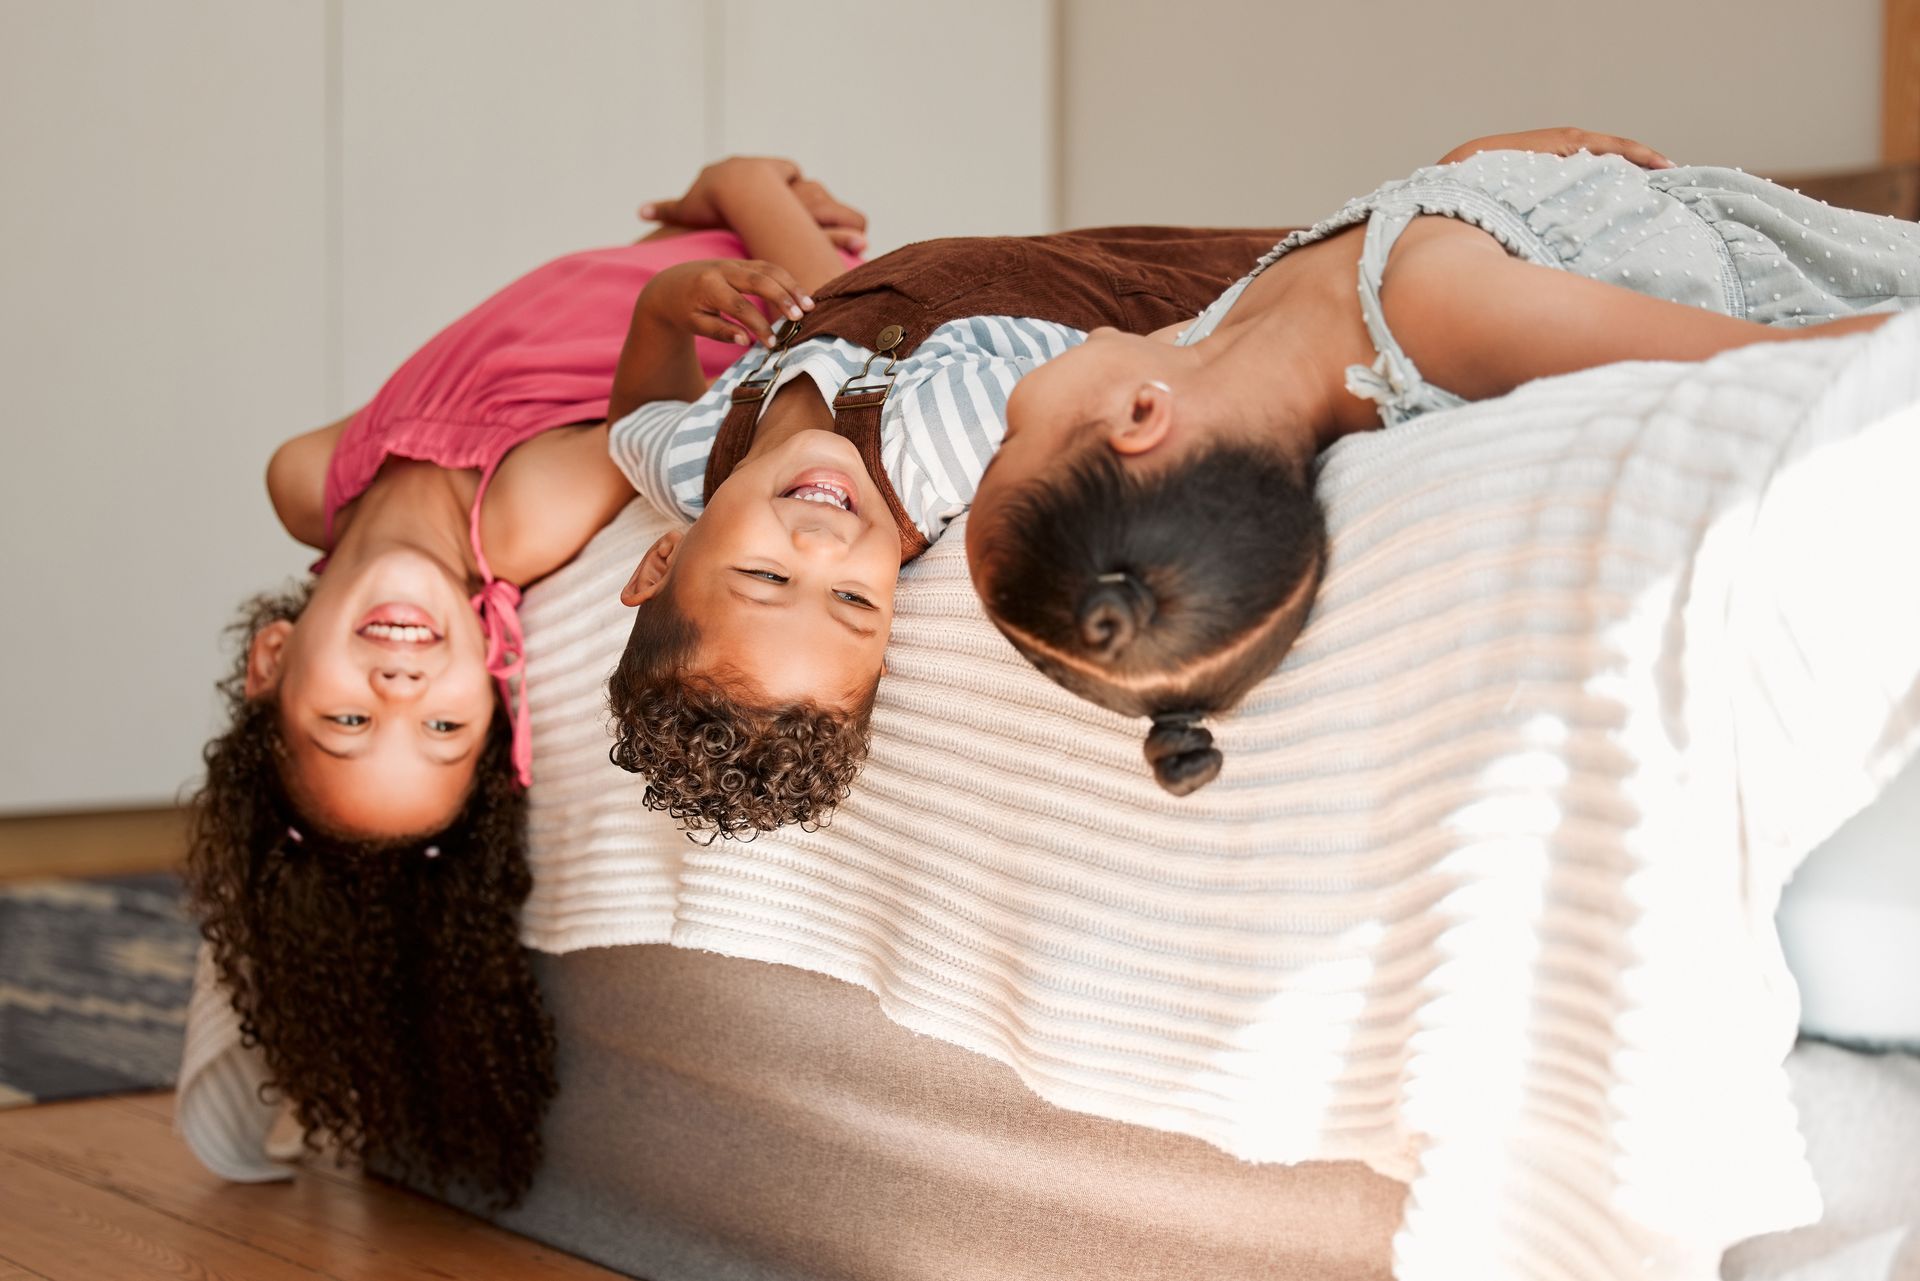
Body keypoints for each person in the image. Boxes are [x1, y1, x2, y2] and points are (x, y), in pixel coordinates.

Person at [185, 156, 863, 1203]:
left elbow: (533, 329)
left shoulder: (303, 484)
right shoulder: (522, 516)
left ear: (268, 660)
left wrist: (675, 233)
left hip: (685, 252)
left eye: (350, 718)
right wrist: (737, 196)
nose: (403, 685)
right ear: (494, 680)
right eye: (446, 728)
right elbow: (701, 401)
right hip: (774, 281)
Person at [964, 127, 1920, 796]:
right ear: (1138, 419)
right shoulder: (1429, 320)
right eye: (1013, 442)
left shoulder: (1207, 337)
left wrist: (1479, 169)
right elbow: (1802, 363)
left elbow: (1437, 221)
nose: (1005, 418)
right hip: (1814, 273)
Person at [603, 219, 1298, 837]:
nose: (821, 546)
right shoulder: (938, 449)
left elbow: (634, 424)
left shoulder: (692, 460)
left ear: (662, 558)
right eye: (853, 598)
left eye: (766, 576)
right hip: (1201, 295)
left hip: (1088, 248)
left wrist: (659, 311)